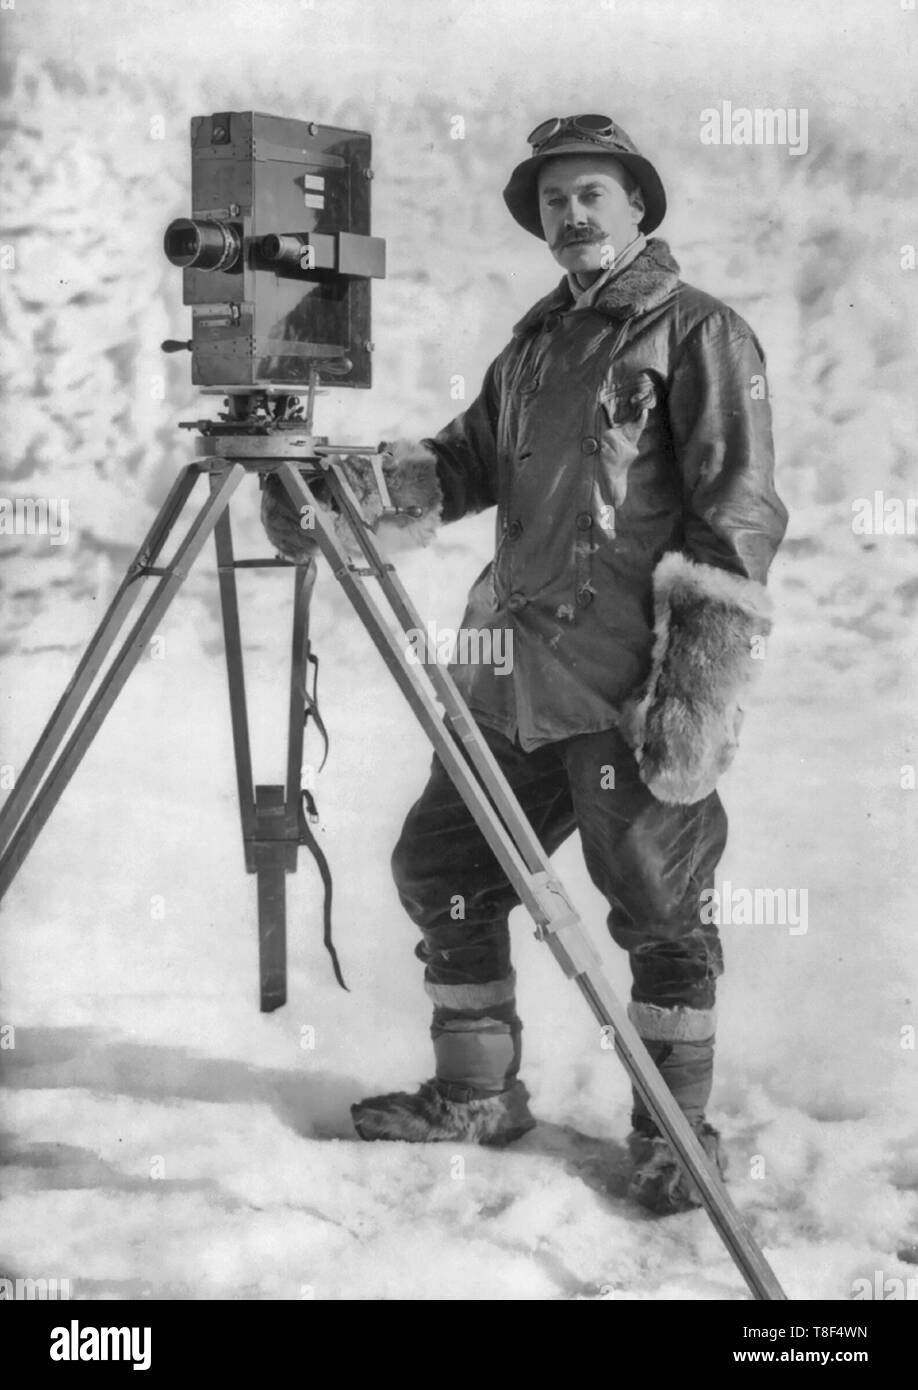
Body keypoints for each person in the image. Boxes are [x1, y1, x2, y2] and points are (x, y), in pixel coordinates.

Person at [261, 113, 789, 1214]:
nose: (572, 214)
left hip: (625, 687)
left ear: (639, 205)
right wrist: (343, 486)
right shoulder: (535, 345)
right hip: (509, 680)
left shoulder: (701, 334)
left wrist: (691, 689)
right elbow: (461, 465)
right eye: (554, 200)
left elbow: (736, 518)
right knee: (440, 866)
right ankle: (477, 1095)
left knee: (658, 903)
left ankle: (672, 1132)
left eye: (592, 193)